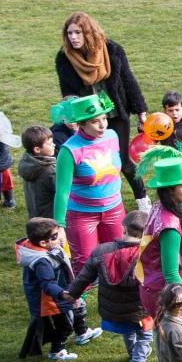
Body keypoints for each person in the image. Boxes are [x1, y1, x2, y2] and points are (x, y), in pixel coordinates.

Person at [55, 13, 148, 203]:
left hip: (115, 113)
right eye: (70, 33)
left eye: (78, 32)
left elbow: (128, 80)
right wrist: (71, 117)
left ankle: (142, 197)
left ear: (88, 33)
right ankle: (101, 198)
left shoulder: (112, 50)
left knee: (121, 159)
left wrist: (141, 111)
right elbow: (67, 92)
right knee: (93, 161)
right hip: (88, 117)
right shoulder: (64, 58)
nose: (73, 37)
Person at [70, 212, 153, 362]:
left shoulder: (101, 251)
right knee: (145, 336)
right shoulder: (146, 254)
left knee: (128, 332)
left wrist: (72, 294)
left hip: (113, 310)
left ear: (123, 229)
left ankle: (133, 354)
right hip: (140, 310)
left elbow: (84, 278)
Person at [51, 92, 128, 267]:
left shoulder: (112, 137)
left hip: (114, 209)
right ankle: (79, 295)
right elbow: (62, 191)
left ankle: (116, 294)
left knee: (118, 259)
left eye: (104, 119)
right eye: (95, 122)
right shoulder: (69, 150)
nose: (102, 125)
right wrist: (59, 226)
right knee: (84, 264)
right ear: (81, 124)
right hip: (81, 215)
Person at [135, 147, 182, 321]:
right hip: (164, 293)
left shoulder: (169, 206)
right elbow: (170, 273)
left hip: (171, 287)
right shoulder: (170, 227)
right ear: (170, 191)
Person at [16, 217, 83, 362]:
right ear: (43, 242)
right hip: (51, 300)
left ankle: (81, 333)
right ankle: (57, 351)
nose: (59, 238)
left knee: (70, 317)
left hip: (56, 295)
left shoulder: (44, 248)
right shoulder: (42, 262)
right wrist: (63, 294)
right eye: (55, 237)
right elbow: (47, 284)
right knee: (65, 325)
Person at [18, 124, 57, 220]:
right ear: (37, 149)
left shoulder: (27, 162)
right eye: (50, 143)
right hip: (51, 217)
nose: (54, 145)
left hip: (35, 215)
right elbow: (64, 192)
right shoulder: (50, 171)